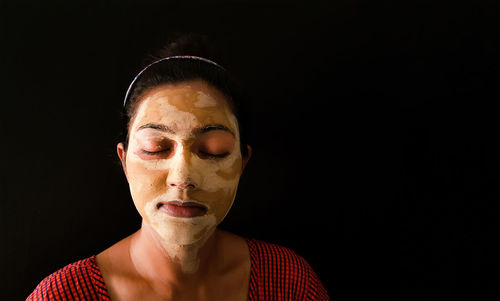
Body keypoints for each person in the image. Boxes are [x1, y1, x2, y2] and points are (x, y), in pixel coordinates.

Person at [27, 34, 329, 300]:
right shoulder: (63, 294)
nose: (183, 177)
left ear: (242, 162)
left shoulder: (288, 282)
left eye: (213, 151)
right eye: (156, 149)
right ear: (124, 160)